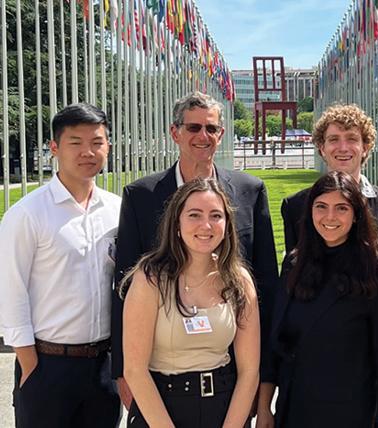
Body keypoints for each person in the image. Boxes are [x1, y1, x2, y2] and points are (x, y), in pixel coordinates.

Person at [111, 91, 278, 409]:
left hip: (231, 373)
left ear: (222, 134)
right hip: (161, 371)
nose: (203, 136)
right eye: (193, 128)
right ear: (175, 133)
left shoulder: (250, 192)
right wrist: (123, 371)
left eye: (211, 128)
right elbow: (122, 286)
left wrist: (264, 377)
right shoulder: (141, 196)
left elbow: (267, 284)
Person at [0, 103, 121, 427]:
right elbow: (11, 292)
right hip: (46, 365)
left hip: (102, 367)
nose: (88, 152)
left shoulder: (116, 210)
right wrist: (30, 366)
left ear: (108, 146)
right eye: (75, 143)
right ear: (55, 148)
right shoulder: (28, 214)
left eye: (97, 142)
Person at [258, 171, 378, 428]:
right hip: (296, 409)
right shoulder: (294, 265)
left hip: (354, 412)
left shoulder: (377, 275)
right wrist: (264, 408)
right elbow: (275, 341)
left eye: (341, 208)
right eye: (321, 207)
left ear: (356, 215)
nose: (330, 217)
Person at [121, 178, 259, 427]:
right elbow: (134, 370)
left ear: (227, 225)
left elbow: (249, 372)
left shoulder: (239, 280)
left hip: (223, 408)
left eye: (216, 215)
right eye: (194, 215)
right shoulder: (149, 280)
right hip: (162, 411)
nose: (206, 225)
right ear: (176, 223)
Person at [281, 103, 378, 261]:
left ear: (365, 147)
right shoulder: (295, 206)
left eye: (352, 139)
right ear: (321, 149)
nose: (343, 147)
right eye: (333, 139)